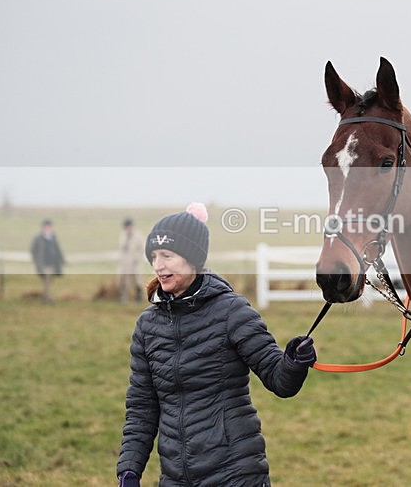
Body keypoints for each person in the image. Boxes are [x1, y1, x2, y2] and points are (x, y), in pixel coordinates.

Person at [117, 203, 316, 487]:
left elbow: (279, 380)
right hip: (175, 478)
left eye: (168, 256)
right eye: (154, 256)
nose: (158, 265)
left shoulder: (231, 311)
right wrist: (129, 469)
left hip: (236, 473)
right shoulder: (148, 325)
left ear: (192, 258)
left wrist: (294, 362)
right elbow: (141, 407)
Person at [30, 218, 65, 304]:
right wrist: (36, 260)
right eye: (46, 227)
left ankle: (44, 296)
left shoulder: (53, 237)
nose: (48, 228)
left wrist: (62, 259)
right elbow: (33, 250)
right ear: (43, 227)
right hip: (43, 263)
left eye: (49, 226)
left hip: (52, 263)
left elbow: (58, 249)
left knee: (49, 281)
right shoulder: (38, 238)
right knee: (47, 280)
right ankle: (48, 298)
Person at [118, 217, 145, 303]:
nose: (128, 229)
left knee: (137, 280)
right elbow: (122, 249)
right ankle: (124, 297)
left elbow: (142, 249)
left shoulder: (138, 236)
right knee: (123, 280)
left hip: (135, 262)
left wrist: (137, 259)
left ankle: (139, 297)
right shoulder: (123, 236)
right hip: (125, 263)